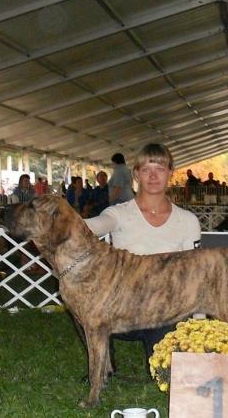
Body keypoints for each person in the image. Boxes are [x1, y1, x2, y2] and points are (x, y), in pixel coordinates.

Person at [84, 143, 201, 368]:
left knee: (161, 371)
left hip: (167, 309)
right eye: (146, 169)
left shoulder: (188, 221)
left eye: (160, 168)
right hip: (122, 311)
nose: (153, 176)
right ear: (136, 174)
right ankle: (103, 367)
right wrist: (62, 221)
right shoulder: (118, 213)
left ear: (170, 173)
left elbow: (194, 276)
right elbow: (95, 226)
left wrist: (197, 328)